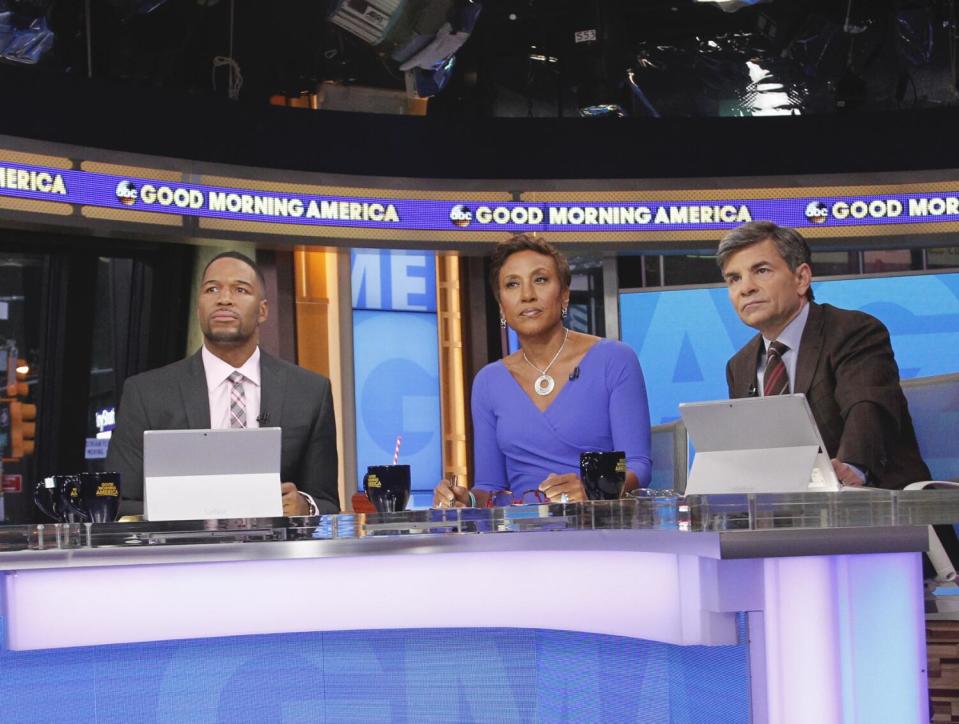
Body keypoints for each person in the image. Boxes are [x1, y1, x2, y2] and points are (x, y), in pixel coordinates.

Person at [106, 251, 339, 516]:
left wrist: (305, 507)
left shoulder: (309, 392)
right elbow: (119, 501)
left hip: (274, 555)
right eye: (212, 289)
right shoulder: (146, 394)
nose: (224, 299)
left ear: (262, 310)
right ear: (199, 308)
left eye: (240, 289)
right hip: (186, 554)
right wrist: (199, 509)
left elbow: (327, 501)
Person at [434, 234, 652, 507]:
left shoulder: (615, 359)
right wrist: (462, 499)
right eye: (512, 284)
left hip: (599, 526)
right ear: (501, 306)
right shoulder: (488, 382)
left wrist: (596, 488)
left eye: (540, 280)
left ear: (564, 295)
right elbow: (490, 487)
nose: (527, 295)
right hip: (521, 535)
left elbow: (639, 465)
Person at [718, 220, 930, 489]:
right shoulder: (739, 365)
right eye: (733, 279)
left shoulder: (852, 332)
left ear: (801, 278)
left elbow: (867, 406)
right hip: (790, 516)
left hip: (881, 503)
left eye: (761, 270)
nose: (745, 288)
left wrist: (854, 465)